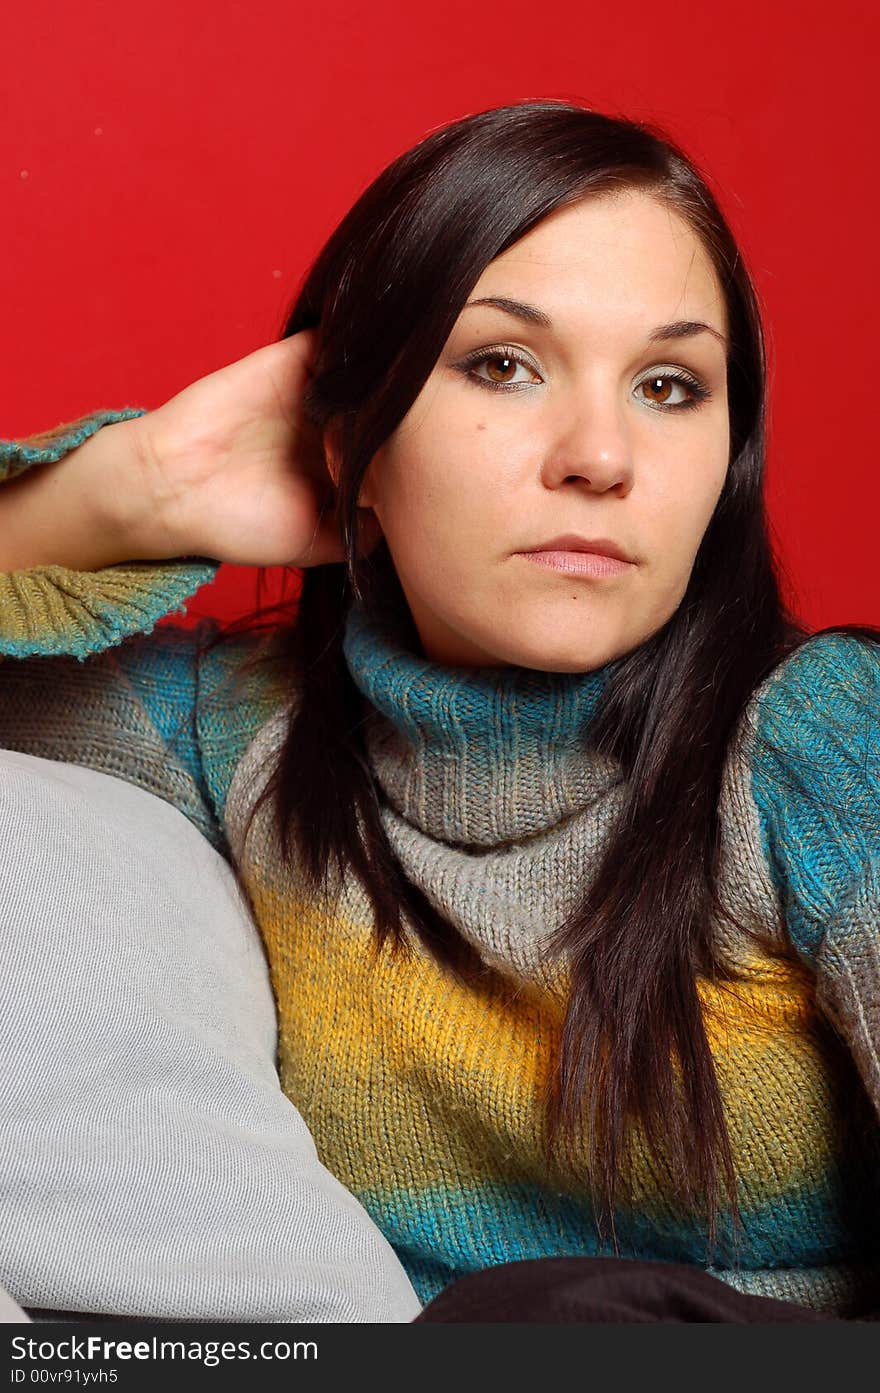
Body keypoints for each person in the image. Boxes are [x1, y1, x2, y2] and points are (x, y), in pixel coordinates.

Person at [1, 97, 879, 1323]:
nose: (600, 455)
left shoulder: (825, 740)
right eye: (503, 364)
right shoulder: (234, 732)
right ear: (354, 438)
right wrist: (135, 488)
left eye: (670, 384)